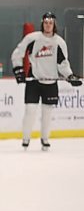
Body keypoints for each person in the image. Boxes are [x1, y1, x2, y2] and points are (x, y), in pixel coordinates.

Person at [11, 12, 82, 150]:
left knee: (47, 113)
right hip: (34, 79)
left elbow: (63, 63)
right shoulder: (32, 38)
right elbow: (18, 53)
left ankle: (45, 139)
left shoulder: (59, 42)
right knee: (30, 110)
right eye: (46, 22)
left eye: (50, 22)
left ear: (54, 24)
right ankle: (26, 139)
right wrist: (18, 70)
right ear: (42, 23)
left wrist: (70, 76)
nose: (48, 25)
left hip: (50, 83)